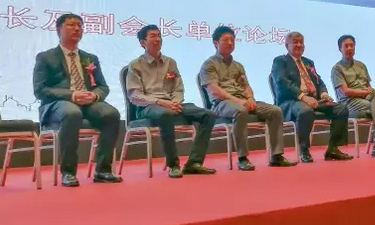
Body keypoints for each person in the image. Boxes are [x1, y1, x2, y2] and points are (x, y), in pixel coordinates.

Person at [33, 13, 122, 187]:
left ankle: (103, 170)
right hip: (57, 105)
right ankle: (68, 172)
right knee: (72, 112)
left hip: (88, 103)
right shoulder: (45, 57)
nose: (76, 29)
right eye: (71, 25)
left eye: (80, 26)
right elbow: (40, 90)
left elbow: (103, 87)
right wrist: (71, 95)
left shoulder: (90, 58)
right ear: (58, 30)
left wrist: (95, 95)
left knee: (111, 114)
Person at [126, 25, 218, 178]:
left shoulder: (170, 63)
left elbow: (178, 88)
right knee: (166, 114)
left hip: (172, 104)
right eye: (153, 36)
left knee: (208, 115)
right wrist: (161, 102)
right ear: (142, 42)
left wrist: (175, 102)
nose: (158, 39)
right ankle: (173, 165)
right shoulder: (135, 65)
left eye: (159, 35)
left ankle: (194, 163)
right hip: (148, 106)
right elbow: (135, 95)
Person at [200, 26, 296, 171]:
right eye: (226, 40)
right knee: (240, 110)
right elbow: (215, 91)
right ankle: (242, 158)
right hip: (222, 104)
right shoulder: (209, 65)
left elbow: (246, 86)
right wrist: (239, 101)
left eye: (232, 40)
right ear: (215, 43)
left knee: (275, 111)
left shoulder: (238, 66)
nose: (230, 43)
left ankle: (276, 156)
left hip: (243, 101)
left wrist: (250, 98)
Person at [270, 31, 353, 163]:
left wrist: (324, 93)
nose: (299, 45)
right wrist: (303, 96)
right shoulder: (280, 61)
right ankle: (304, 150)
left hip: (314, 100)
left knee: (341, 109)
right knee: (306, 111)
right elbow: (282, 82)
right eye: (295, 42)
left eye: (301, 42)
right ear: (287, 46)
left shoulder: (308, 62)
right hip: (291, 101)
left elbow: (318, 81)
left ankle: (333, 149)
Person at [331, 34, 375, 158]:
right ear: (340, 49)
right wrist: (366, 92)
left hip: (366, 98)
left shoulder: (361, 65)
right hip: (349, 102)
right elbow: (346, 92)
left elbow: (368, 86)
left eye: (352, 45)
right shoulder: (337, 69)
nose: (349, 48)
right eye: (346, 46)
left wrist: (372, 91)